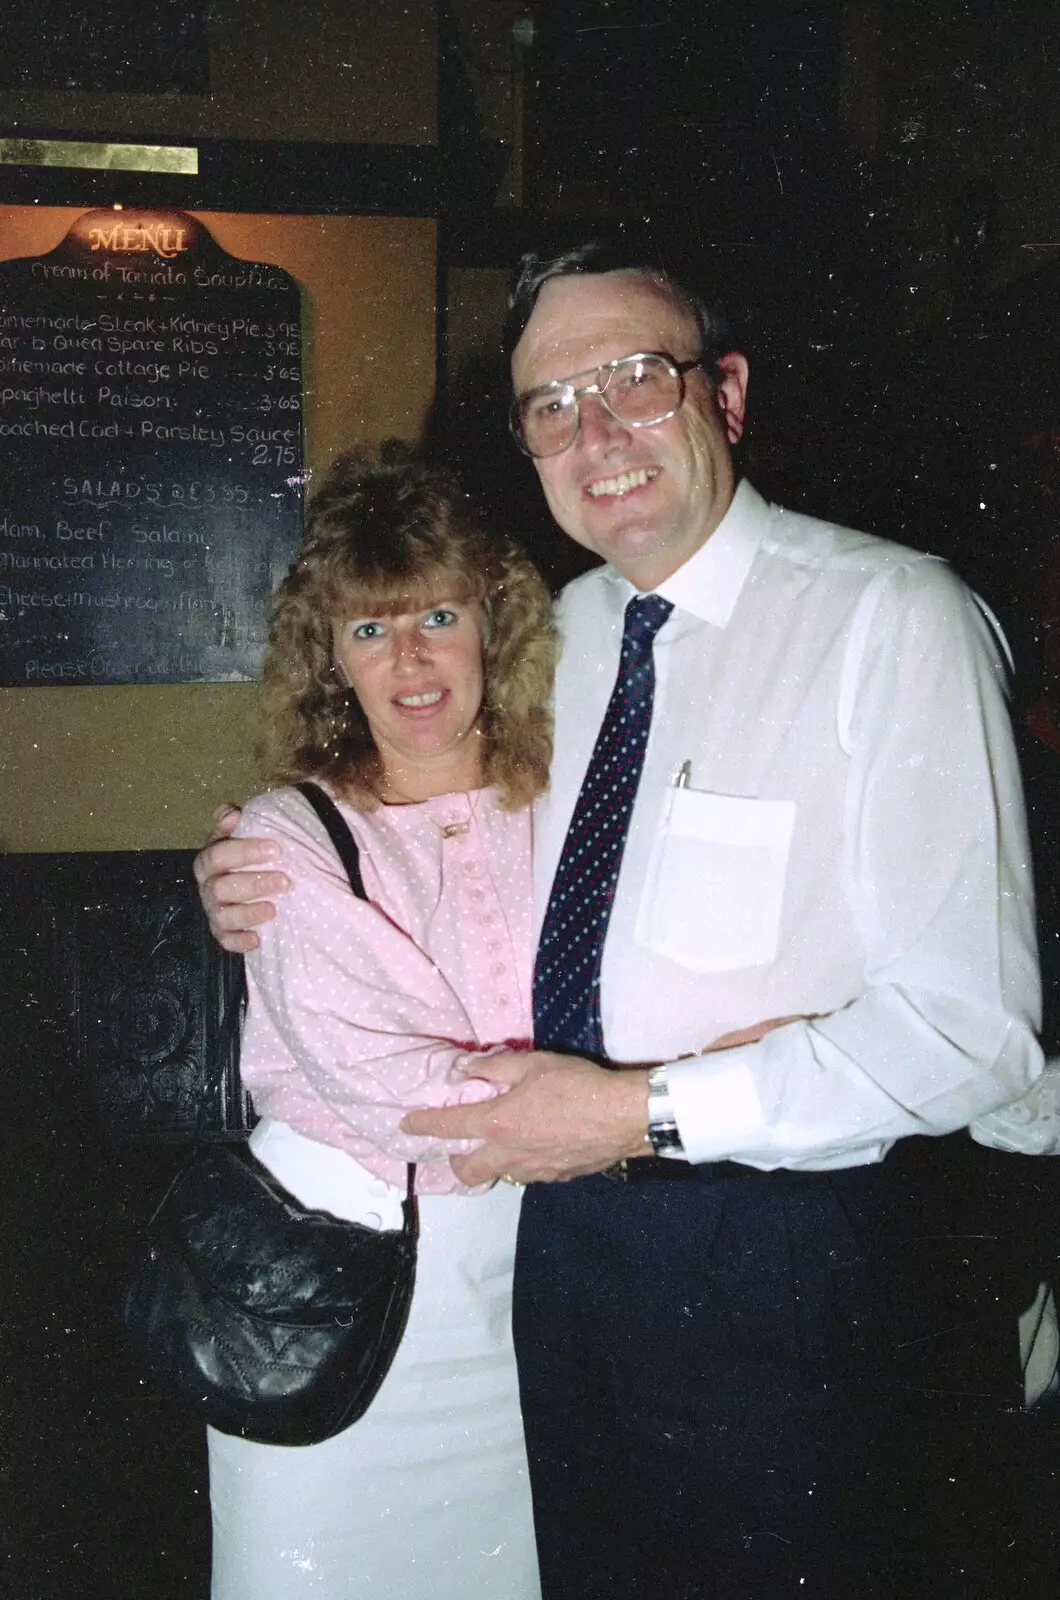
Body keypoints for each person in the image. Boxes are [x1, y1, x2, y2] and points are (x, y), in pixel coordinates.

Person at [196, 240, 1044, 1598]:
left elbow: (977, 1035)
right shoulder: (556, 641)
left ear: (729, 395)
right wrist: (253, 859)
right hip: (557, 1264)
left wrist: (642, 1110)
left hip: (773, 1268)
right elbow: (422, 831)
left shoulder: (894, 618)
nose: (595, 431)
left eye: (635, 378)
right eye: (551, 404)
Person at [204, 452, 555, 1600]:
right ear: (329, 657)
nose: (407, 661)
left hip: (533, 1279)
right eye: (368, 630)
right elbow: (379, 1073)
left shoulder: (565, 801)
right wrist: (620, 1125)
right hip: (336, 1274)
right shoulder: (285, 829)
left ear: (490, 627)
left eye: (437, 616)